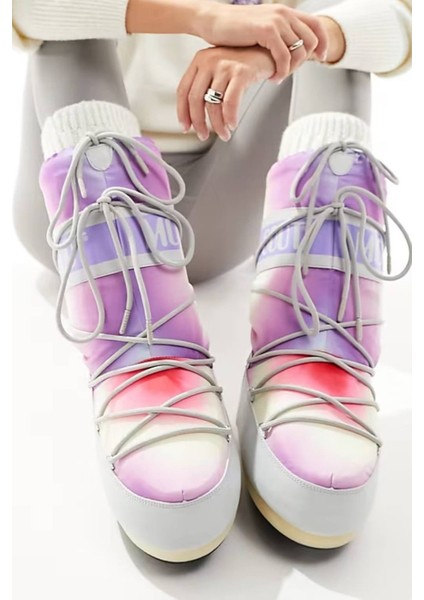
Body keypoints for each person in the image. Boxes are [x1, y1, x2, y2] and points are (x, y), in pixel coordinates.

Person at [12, 0, 412, 561]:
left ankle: (310, 340)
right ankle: (141, 347)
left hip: (220, 209)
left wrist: (277, 47)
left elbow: (396, 26)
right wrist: (204, 18)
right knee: (67, 24)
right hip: (76, 219)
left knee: (336, 28)